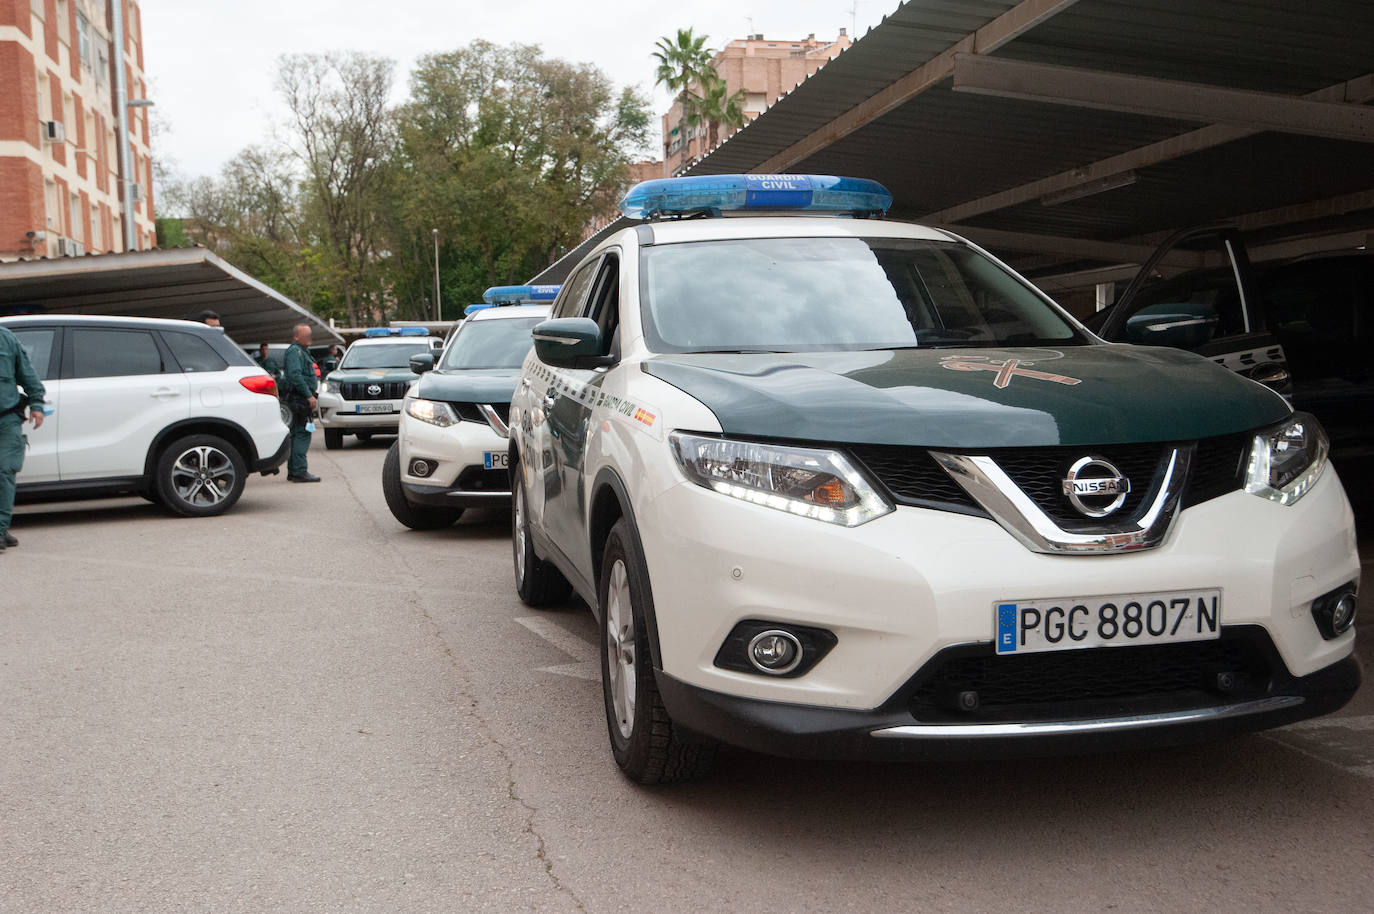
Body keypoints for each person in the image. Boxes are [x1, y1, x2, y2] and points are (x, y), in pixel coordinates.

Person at [0, 324, 46, 554]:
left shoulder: (6, 339)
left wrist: (37, 404)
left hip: (6, 419)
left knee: (5, 472)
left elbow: (27, 375)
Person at [282, 323, 321, 483]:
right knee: (302, 434)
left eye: (309, 335)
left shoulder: (302, 352)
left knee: (298, 433)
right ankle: (299, 471)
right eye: (305, 335)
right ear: (296, 337)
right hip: (299, 400)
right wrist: (308, 396)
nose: (309, 338)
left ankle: (294, 471)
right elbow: (295, 376)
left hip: (300, 399)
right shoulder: (295, 352)